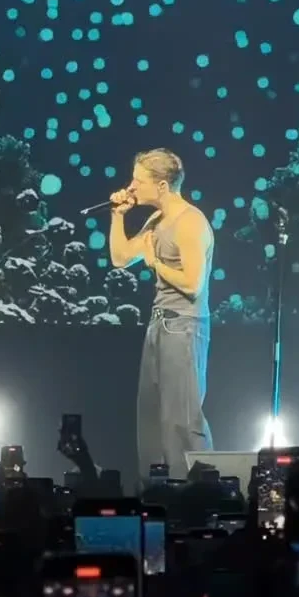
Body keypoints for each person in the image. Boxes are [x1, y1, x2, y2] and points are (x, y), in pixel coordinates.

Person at [109, 148, 214, 483]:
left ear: (163, 185)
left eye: (138, 181)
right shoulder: (156, 221)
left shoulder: (190, 222)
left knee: (181, 421)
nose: (131, 187)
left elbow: (193, 284)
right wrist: (118, 216)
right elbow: (120, 258)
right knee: (152, 421)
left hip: (184, 325)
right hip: (159, 324)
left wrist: (155, 263)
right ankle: (156, 493)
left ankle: (197, 493)